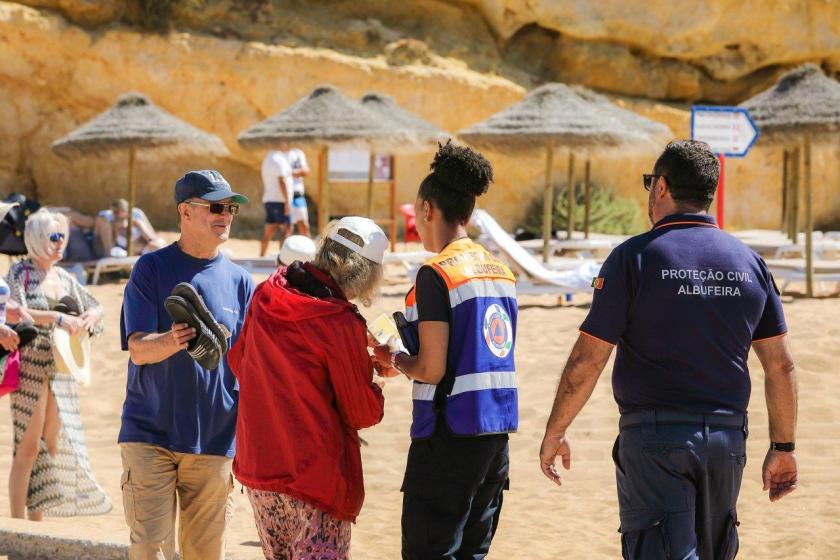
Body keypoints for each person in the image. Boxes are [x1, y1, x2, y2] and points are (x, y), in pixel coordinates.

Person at [538, 140, 798, 559]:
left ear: (660, 187)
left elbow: (588, 359)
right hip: (727, 439)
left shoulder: (632, 258)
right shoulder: (749, 262)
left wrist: (555, 431)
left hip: (655, 439)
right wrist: (783, 448)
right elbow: (780, 365)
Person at [372, 141, 518, 559]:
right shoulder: (500, 271)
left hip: (448, 437)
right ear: (469, 213)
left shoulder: (436, 274)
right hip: (495, 437)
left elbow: (432, 369)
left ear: (427, 208)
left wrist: (394, 358)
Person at [229, 216, 388, 559]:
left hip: (260, 466)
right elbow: (361, 411)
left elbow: (240, 362)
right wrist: (373, 383)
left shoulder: (267, 293)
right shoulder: (339, 321)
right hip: (313, 475)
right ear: (365, 272)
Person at [118, 170, 255, 560]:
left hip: (215, 441)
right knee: (149, 550)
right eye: (215, 206)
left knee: (205, 556)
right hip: (150, 436)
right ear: (185, 211)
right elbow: (138, 349)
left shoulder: (242, 282)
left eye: (229, 208)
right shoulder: (151, 269)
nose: (225, 215)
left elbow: (249, 367)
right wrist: (173, 340)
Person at [6, 208, 110, 520]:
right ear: (37, 238)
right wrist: (57, 317)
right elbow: (16, 312)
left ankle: (37, 527)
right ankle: (17, 527)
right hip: (30, 366)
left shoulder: (64, 277)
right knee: (27, 448)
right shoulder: (19, 273)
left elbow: (96, 306)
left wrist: (91, 317)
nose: (60, 242)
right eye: (54, 236)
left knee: (49, 446)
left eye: (63, 236)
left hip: (61, 370)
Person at [94, 198, 164, 257]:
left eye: (120, 211)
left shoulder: (136, 223)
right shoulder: (111, 227)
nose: (117, 214)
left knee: (158, 246)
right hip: (125, 255)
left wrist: (150, 242)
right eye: (115, 212)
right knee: (117, 253)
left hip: (143, 251)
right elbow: (111, 247)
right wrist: (116, 231)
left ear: (127, 212)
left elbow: (150, 239)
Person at [259, 149, 293, 256]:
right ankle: (284, 261)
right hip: (279, 201)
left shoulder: (267, 159)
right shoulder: (278, 160)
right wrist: (287, 202)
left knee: (269, 230)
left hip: (269, 199)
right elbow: (281, 181)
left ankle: (261, 256)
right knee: (286, 230)